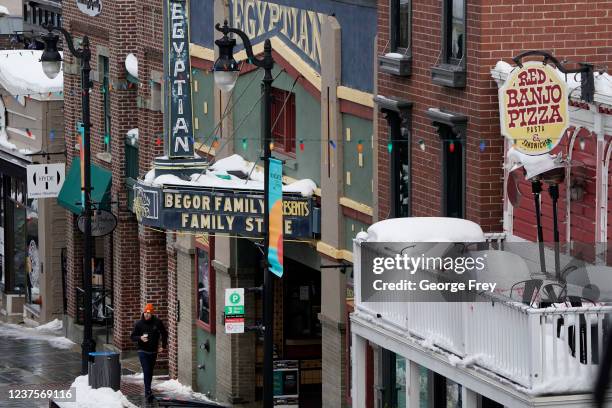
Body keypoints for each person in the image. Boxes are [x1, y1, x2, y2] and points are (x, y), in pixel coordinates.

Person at [131, 303, 168, 402]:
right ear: (143, 312)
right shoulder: (139, 324)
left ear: (152, 314)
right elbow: (132, 337)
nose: (147, 315)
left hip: (153, 351)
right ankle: (148, 391)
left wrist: (163, 346)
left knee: (150, 371)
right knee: (146, 370)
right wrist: (140, 338)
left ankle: (148, 389)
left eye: (149, 313)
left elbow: (164, 334)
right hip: (142, 350)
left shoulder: (157, 322)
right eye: (145, 313)